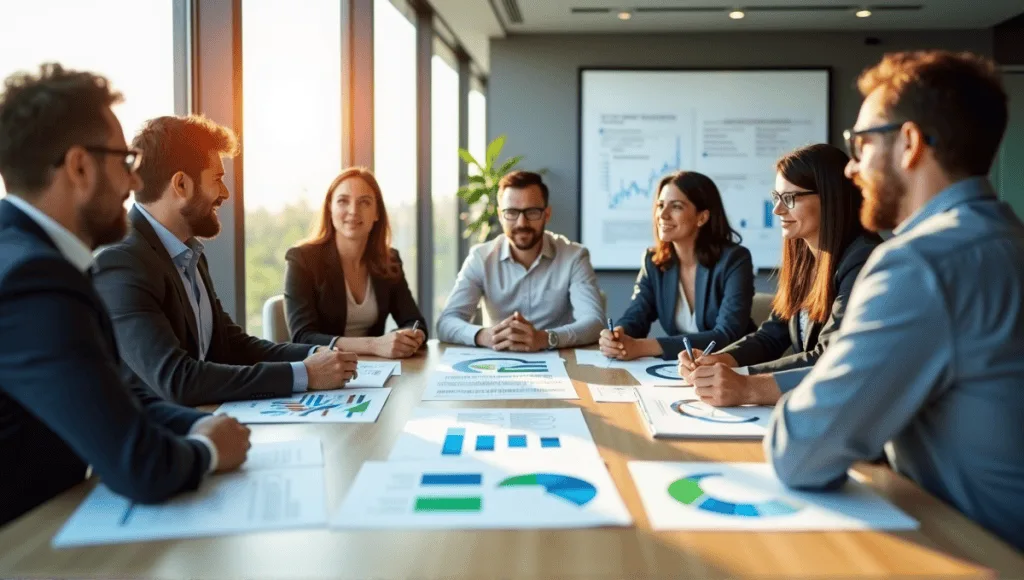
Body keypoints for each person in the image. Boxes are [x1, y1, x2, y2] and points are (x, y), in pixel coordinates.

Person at [766, 50, 1024, 550]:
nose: (851, 168)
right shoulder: (1006, 239)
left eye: (860, 144)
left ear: (908, 144)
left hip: (973, 549)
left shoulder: (920, 264)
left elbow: (800, 453)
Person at [0, 64, 251, 525]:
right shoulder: (31, 280)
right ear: (79, 166)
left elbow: (122, 399)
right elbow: (139, 465)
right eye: (124, 162)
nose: (135, 183)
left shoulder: (32, 260)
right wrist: (209, 450)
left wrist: (198, 424)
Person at [92, 115, 358, 407]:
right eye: (217, 179)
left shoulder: (188, 253)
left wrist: (316, 356)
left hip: (209, 421)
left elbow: (232, 345)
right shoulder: (121, 263)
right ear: (181, 185)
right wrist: (303, 374)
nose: (225, 193)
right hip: (161, 439)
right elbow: (177, 379)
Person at [679, 143, 881, 407]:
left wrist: (743, 380)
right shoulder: (805, 258)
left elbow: (829, 356)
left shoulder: (863, 259)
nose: (777, 210)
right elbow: (772, 334)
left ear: (830, 198)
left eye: (790, 198)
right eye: (777, 197)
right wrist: (722, 360)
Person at [437, 170, 604, 351]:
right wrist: (484, 336)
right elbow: (446, 322)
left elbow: (594, 323)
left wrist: (546, 338)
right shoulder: (481, 258)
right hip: (498, 362)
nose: (521, 223)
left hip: (561, 361)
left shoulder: (574, 257)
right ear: (501, 216)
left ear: (546, 214)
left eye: (532, 212)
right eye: (512, 212)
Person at [598, 171, 754, 361]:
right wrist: (618, 336)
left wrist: (643, 346)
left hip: (732, 367)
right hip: (680, 368)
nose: (663, 215)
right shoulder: (654, 261)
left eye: (676, 207)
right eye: (660, 205)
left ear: (702, 217)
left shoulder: (735, 260)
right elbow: (636, 315)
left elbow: (726, 335)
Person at [284, 167, 426, 358]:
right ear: (330, 208)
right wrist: (374, 345)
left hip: (377, 370)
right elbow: (303, 337)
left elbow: (414, 321)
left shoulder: (389, 260)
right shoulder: (301, 259)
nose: (353, 211)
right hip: (324, 371)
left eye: (364, 202)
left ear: (377, 213)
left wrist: (410, 337)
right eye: (343, 201)